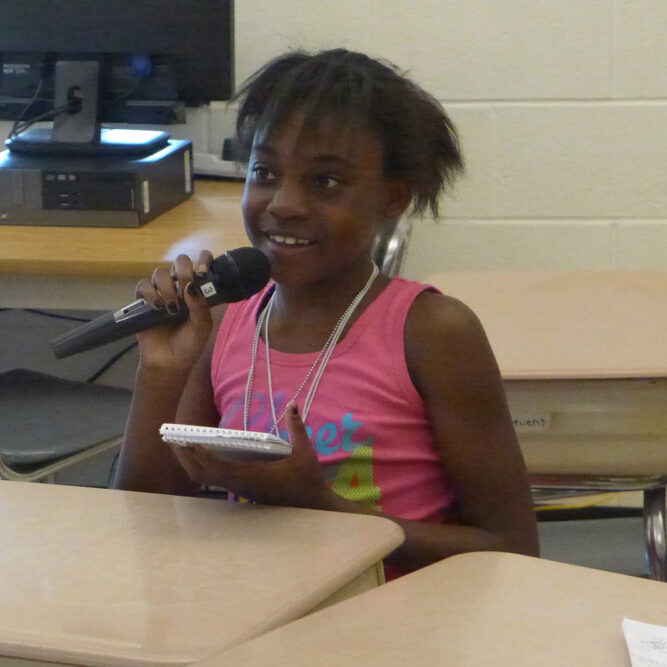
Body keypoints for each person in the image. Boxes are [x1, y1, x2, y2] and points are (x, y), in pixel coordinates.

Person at [113, 49, 539, 575]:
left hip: (393, 630)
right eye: (264, 171)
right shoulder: (225, 323)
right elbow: (146, 516)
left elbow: (512, 548)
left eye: (326, 182)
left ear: (393, 199)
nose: (283, 203)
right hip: (250, 615)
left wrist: (322, 507)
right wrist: (161, 371)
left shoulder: (431, 332)